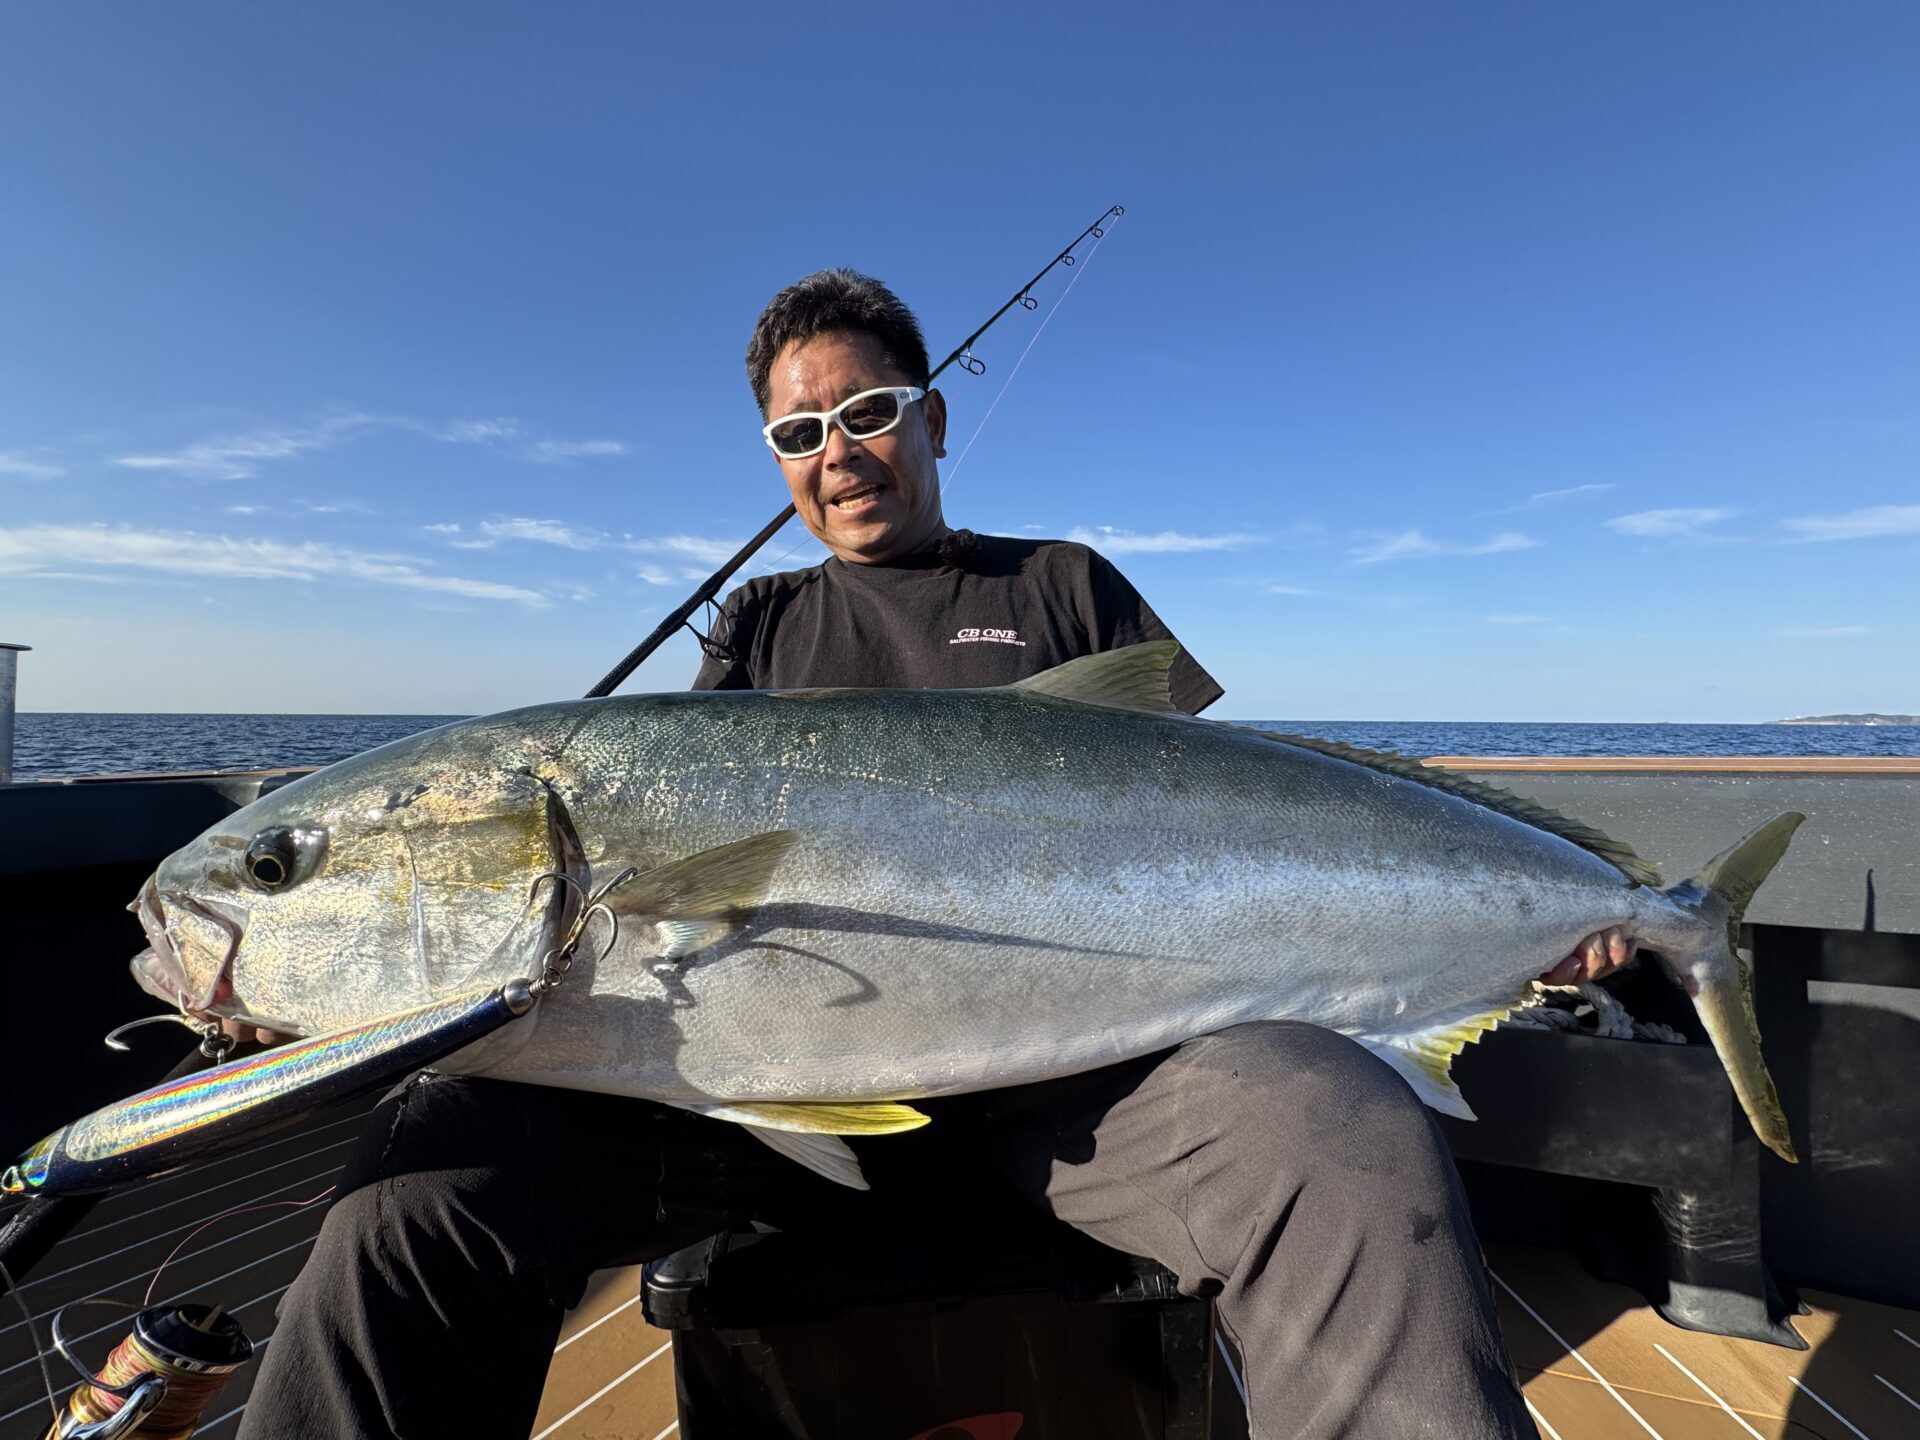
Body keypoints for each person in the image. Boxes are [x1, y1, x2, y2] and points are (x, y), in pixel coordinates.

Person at [239, 270, 1626, 1439]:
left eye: (868, 412)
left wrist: (1539, 915)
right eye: (799, 433)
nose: (839, 453)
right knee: (425, 1175)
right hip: (763, 1097)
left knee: (1350, 1129)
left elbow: (1221, 815)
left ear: (932, 418)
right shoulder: (761, 622)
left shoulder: (1060, 584)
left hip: (1093, 1084)